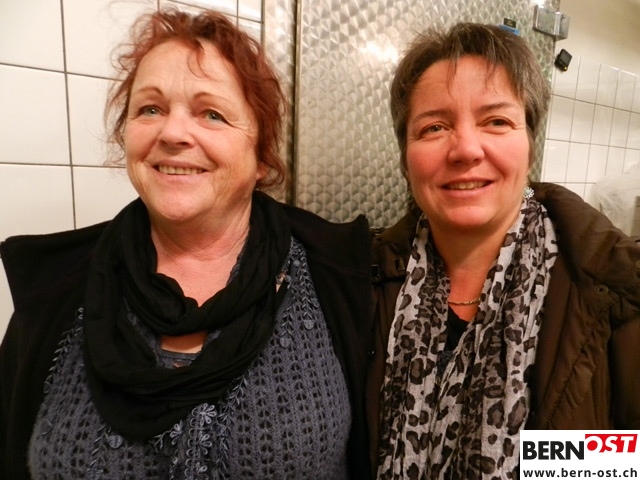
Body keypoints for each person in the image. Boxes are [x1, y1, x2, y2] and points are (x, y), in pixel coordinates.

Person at [0, 9, 374, 479]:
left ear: (261, 155)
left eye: (211, 114)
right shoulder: (55, 288)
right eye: (150, 109)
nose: (173, 133)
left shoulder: (333, 273)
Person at [367, 22, 640, 479]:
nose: (466, 149)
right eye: (434, 127)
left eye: (496, 121)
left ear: (529, 143)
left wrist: (543, 461)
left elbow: (627, 458)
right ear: (406, 158)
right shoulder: (362, 279)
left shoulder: (615, 290)